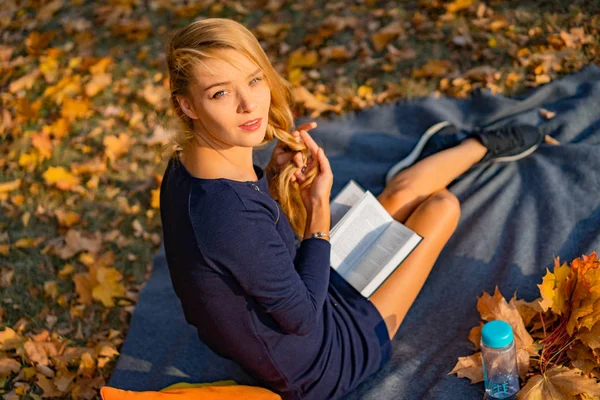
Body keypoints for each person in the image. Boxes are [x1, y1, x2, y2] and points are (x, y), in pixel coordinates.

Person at [159, 18, 546, 400]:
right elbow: (302, 317)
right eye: (220, 93)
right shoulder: (229, 218)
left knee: (403, 192)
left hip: (297, 290)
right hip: (323, 361)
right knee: (442, 205)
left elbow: (247, 246)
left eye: (254, 79)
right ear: (187, 105)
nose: (249, 104)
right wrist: (318, 209)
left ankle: (476, 145)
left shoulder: (186, 166)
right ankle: (464, 151)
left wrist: (275, 176)